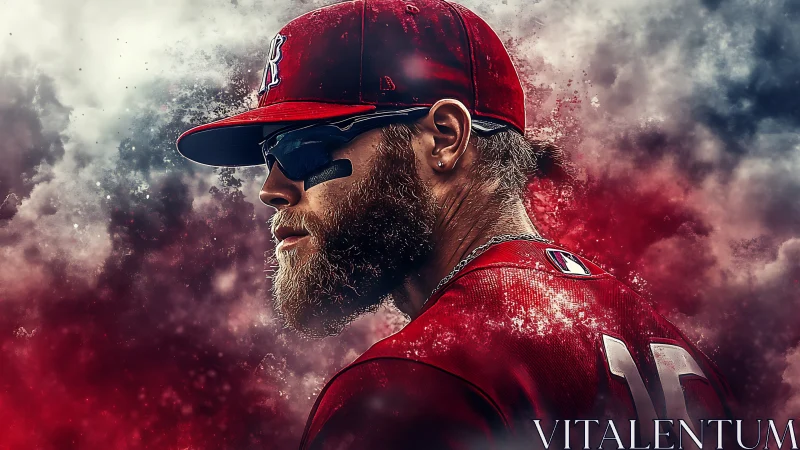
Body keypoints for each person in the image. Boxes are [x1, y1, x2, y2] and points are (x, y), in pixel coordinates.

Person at [177, 1, 732, 448]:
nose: (271, 188)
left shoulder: (416, 383)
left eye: (301, 148)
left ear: (445, 137)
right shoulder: (662, 341)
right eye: (267, 155)